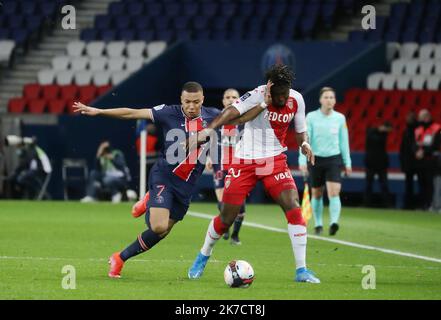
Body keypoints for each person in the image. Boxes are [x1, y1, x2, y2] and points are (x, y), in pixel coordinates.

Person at [73, 82, 260, 278]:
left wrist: (263, 105)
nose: (191, 106)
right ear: (181, 100)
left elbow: (242, 118)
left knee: (162, 232)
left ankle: (119, 258)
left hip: (186, 186)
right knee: (158, 226)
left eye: (196, 102)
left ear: (202, 100)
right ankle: (151, 198)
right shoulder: (168, 113)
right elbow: (132, 113)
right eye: (187, 102)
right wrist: (99, 111)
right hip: (164, 176)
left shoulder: (213, 116)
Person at [188, 64, 320, 283]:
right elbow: (231, 114)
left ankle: (302, 270)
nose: (281, 99)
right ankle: (203, 255)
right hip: (245, 161)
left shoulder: (296, 99)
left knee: (293, 206)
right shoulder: (257, 94)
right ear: (269, 89)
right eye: (277, 95)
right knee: (227, 217)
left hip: (275, 160)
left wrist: (304, 143)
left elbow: (300, 130)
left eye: (284, 95)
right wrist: (209, 129)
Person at [298, 87, 351, 236]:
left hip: (333, 159)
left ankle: (334, 222)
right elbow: (305, 140)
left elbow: (344, 142)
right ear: (320, 100)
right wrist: (302, 159)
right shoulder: (311, 117)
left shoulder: (340, 118)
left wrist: (348, 163)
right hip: (315, 159)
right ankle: (319, 223)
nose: (329, 100)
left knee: (334, 192)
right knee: (317, 194)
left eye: (332, 97)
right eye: (326, 97)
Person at [207, 88, 246, 245]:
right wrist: (209, 157)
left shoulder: (245, 119)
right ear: (223, 101)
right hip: (220, 165)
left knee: (239, 204)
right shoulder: (217, 118)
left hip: (239, 166)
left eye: (234, 97)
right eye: (227, 97)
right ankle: (226, 226)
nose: (230, 99)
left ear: (239, 100)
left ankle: (236, 235)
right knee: (222, 201)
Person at [414, 109, 441, 210]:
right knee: (422, 183)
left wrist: (424, 152)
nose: (419, 119)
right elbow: (415, 143)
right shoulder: (418, 129)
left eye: (421, 117)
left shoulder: (437, 128)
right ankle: (424, 205)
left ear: (427, 117)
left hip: (432, 160)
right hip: (421, 161)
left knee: (432, 184)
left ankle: (432, 204)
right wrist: (416, 151)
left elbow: (436, 144)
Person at [364, 121, 393, 208]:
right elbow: (374, 140)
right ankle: (367, 203)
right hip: (371, 163)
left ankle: (387, 203)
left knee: (384, 184)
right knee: (369, 184)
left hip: (381, 164)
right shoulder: (372, 133)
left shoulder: (383, 134)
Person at [399, 111, 418, 209]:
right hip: (409, 161)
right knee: (409, 184)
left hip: (415, 161)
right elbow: (403, 148)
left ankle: (414, 204)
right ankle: (409, 204)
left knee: (418, 184)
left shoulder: (415, 130)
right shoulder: (407, 130)